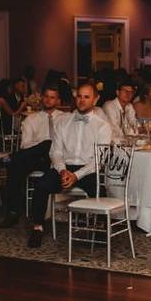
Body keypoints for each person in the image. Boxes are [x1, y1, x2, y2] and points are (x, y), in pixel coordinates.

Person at [27, 81, 112, 248]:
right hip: (64, 168)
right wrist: (63, 171)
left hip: (88, 170)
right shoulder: (63, 122)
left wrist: (76, 175)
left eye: (86, 97)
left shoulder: (103, 126)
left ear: (96, 99)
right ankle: (37, 227)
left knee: (100, 190)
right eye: (79, 96)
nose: (81, 100)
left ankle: (101, 229)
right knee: (41, 185)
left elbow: (99, 160)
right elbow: (55, 152)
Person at [0, 83, 68, 228]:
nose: (49, 100)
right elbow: (25, 145)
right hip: (38, 158)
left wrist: (46, 144)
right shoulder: (31, 119)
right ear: (42, 98)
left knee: (47, 144)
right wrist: (42, 145)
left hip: (60, 158)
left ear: (58, 100)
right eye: (46, 97)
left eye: (52, 98)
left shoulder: (66, 118)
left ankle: (6, 160)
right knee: (17, 166)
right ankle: (12, 213)